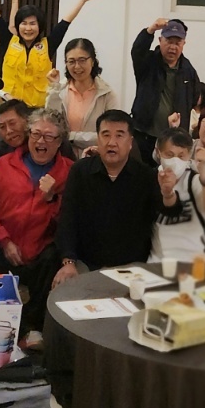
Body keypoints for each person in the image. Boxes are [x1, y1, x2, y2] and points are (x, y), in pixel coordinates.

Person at [53, 111, 183, 282]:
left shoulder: (146, 175)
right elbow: (67, 218)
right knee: (63, 290)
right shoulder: (80, 171)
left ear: (130, 142)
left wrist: (168, 194)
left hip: (132, 268)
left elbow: (169, 216)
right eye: (106, 135)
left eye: (119, 135)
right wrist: (68, 261)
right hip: (85, 263)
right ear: (98, 139)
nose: (112, 142)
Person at [0, 107, 73, 347]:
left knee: (52, 258)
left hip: (40, 250)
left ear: (59, 142)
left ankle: (33, 329)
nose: (41, 141)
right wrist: (4, 241)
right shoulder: (3, 165)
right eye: (36, 134)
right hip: (4, 247)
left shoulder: (69, 172)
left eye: (49, 136)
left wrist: (52, 198)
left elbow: (69, 221)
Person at [0, 0, 101, 107]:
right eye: (24, 24)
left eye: (33, 24)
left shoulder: (48, 44)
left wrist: (82, 1)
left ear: (40, 26)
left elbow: (65, 23)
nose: (28, 28)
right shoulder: (10, 42)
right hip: (11, 106)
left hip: (38, 109)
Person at [130, 18, 205, 164]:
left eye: (177, 43)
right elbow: (137, 50)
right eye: (169, 41)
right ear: (160, 40)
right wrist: (150, 30)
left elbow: (194, 97)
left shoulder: (188, 70)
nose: (173, 47)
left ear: (183, 44)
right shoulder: (148, 62)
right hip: (144, 135)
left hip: (172, 141)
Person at [150, 129, 205, 265]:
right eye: (169, 155)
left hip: (195, 259)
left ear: (189, 156)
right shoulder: (150, 178)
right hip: (158, 260)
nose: (175, 161)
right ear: (158, 153)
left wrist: (203, 170)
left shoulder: (194, 180)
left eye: (181, 156)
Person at [45, 38, 122, 152]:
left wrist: (71, 136)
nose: (77, 66)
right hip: (62, 157)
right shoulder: (59, 90)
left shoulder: (107, 94)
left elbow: (111, 134)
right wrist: (54, 89)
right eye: (71, 61)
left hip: (94, 157)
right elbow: (50, 125)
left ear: (92, 61)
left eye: (82, 60)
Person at [0, 99, 32, 171]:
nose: (8, 131)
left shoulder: (40, 142)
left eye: (12, 123)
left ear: (27, 120)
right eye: (2, 127)